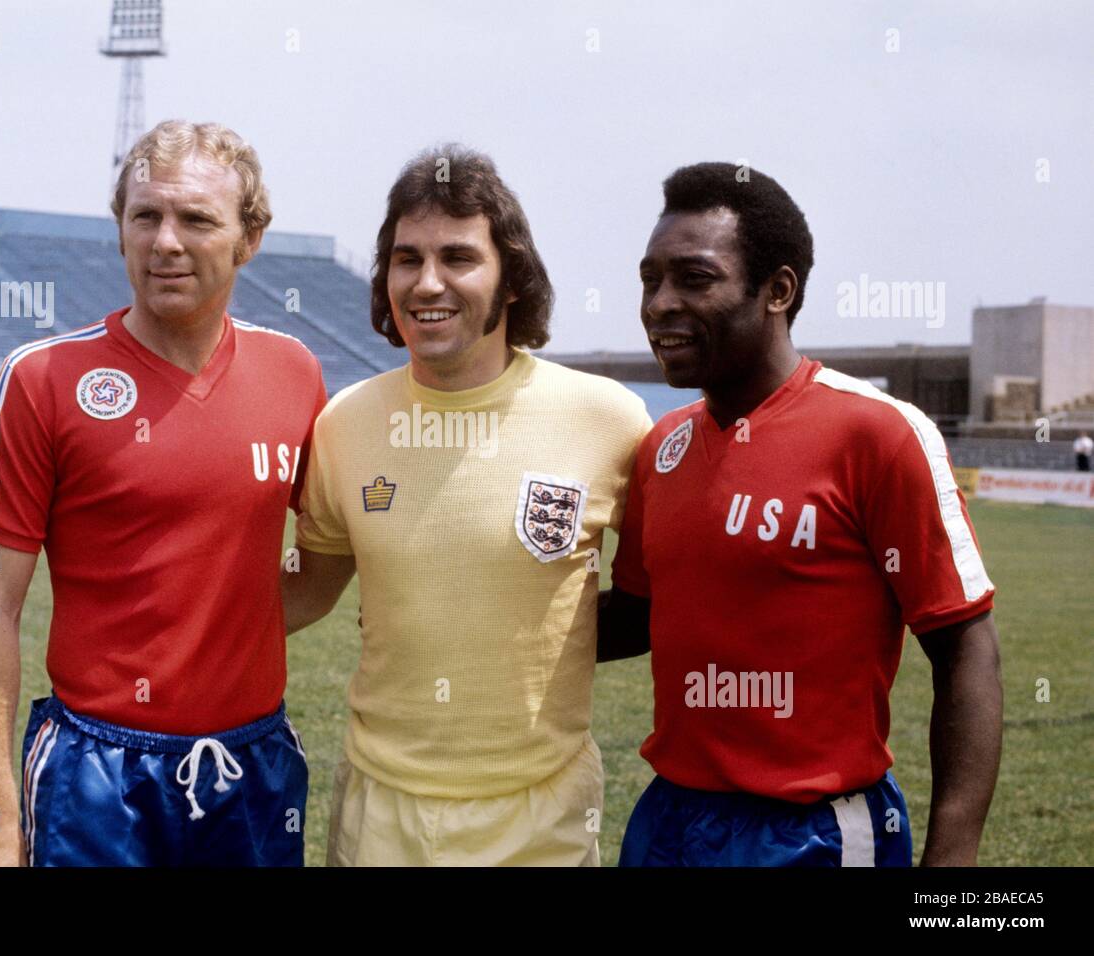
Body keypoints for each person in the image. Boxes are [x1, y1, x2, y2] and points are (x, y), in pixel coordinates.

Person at [599, 162, 1002, 867]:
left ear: (777, 290)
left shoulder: (877, 434)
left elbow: (964, 643)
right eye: (649, 279)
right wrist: (468, 624)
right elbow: (634, 616)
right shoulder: (663, 447)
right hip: (669, 817)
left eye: (694, 278)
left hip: (812, 832)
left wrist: (953, 860)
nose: (660, 304)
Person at [0, 120, 325, 867]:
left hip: (251, 768)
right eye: (145, 215)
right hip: (95, 774)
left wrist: (220, 626)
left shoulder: (296, 373)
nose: (165, 241)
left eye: (196, 219)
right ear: (120, 228)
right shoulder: (42, 380)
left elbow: (326, 558)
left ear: (250, 238)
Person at [282, 145, 653, 866]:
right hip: (380, 811)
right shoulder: (344, 423)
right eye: (405, 258)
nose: (427, 283)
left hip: (540, 813)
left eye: (458, 257)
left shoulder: (608, 420)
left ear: (511, 277)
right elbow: (309, 589)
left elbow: (665, 595)